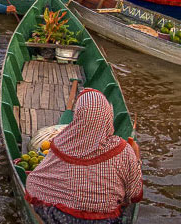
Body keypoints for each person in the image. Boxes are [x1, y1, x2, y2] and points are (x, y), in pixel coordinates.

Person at [25, 89, 142, 224]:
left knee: (33, 183)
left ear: (78, 116)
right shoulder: (123, 149)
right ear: (108, 116)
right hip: (106, 220)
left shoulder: (61, 142)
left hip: (60, 218)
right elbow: (135, 195)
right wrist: (136, 158)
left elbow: (39, 178)